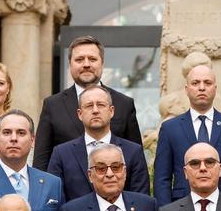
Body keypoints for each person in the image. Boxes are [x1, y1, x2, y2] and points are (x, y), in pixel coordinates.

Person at [153, 62, 221, 206]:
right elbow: (162, 178)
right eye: (195, 83)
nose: (201, 87)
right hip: (181, 208)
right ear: (186, 89)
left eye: (207, 83)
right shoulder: (170, 128)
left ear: (215, 88)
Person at [33, 36, 141, 171]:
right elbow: (41, 160)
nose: (86, 64)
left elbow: (136, 160)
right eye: (79, 59)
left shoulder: (124, 104)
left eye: (92, 59)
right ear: (70, 64)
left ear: (102, 63)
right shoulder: (52, 105)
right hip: (68, 191)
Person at [47, 85, 149, 202]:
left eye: (100, 105)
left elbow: (141, 199)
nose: (95, 110)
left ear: (111, 111)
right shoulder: (61, 154)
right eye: (89, 106)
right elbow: (56, 199)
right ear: (80, 114)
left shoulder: (133, 151)